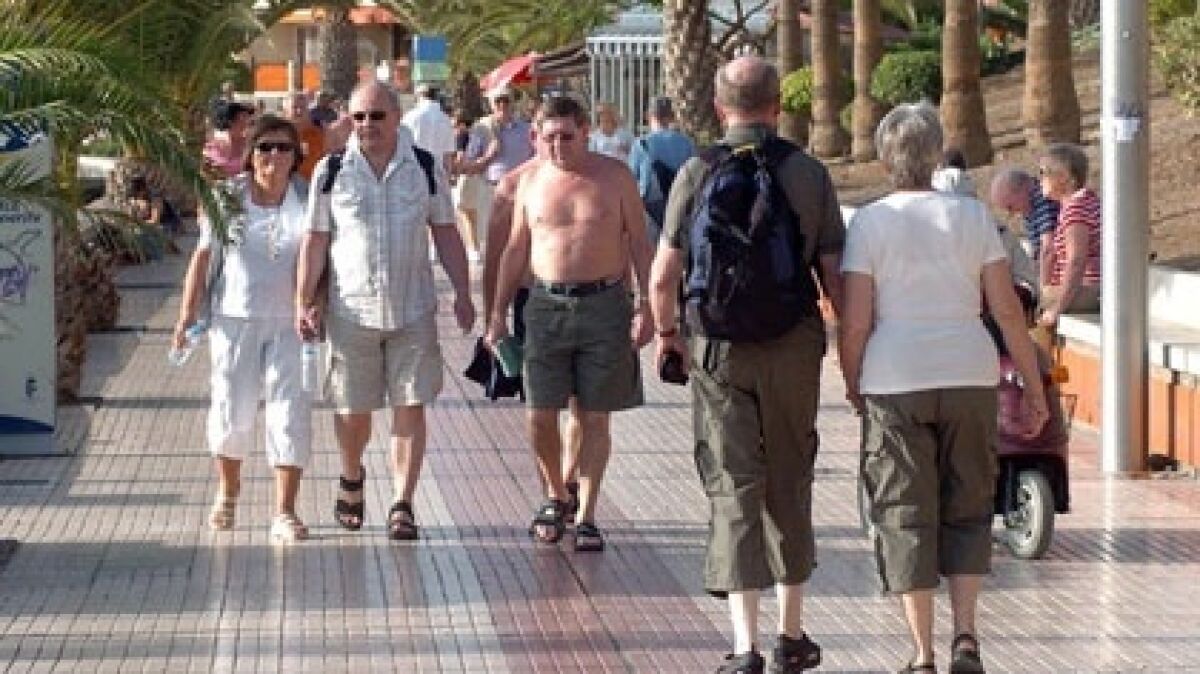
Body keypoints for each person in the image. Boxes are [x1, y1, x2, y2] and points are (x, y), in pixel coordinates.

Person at [648, 55, 844, 674]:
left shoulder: (696, 172)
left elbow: (663, 276)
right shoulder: (808, 174)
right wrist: (849, 348)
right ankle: (793, 634)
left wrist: (668, 336)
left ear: (718, 106)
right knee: (790, 475)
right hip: (792, 345)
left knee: (734, 484)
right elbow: (834, 275)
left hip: (717, 347)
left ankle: (744, 645)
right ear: (777, 106)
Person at [838, 102, 1050, 674]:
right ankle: (967, 636)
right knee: (968, 505)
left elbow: (855, 322)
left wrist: (854, 381)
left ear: (885, 159)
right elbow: (1007, 311)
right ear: (935, 155)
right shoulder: (973, 217)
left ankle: (922, 652)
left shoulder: (870, 223)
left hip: (894, 376)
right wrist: (1033, 387)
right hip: (970, 373)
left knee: (904, 510)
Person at [295, 82, 474, 541]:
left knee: (410, 404)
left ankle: (402, 503)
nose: (367, 125)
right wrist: (303, 300)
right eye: (359, 116)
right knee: (352, 409)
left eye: (376, 115)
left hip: (412, 309)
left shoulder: (425, 168)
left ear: (397, 116)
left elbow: (446, 231)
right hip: (350, 311)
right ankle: (352, 475)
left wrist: (463, 291)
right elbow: (316, 238)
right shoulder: (331, 170)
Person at [486, 95, 653, 553]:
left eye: (566, 136)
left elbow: (640, 244)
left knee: (594, 414)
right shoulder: (530, 182)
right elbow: (516, 249)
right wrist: (497, 313)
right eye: (549, 138)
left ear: (585, 132)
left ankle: (587, 515)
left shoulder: (615, 177)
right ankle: (556, 493)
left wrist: (649, 308)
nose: (558, 146)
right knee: (539, 412)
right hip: (545, 305)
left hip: (605, 304)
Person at [174, 114, 314, 543]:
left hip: (292, 324)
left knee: (289, 413)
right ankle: (228, 489)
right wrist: (186, 316)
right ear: (250, 155)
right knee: (232, 410)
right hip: (234, 319)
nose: (274, 155)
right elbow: (202, 256)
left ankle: (284, 511)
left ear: (296, 156)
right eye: (265, 147)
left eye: (284, 147)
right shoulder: (227, 198)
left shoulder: (309, 197)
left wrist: (318, 304)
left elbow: (323, 255)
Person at [1036, 142, 1102, 328]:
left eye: (1043, 173)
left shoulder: (1076, 209)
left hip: (1088, 288)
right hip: (1090, 287)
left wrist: (1057, 309)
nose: (1039, 180)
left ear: (1063, 177)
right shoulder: (1085, 201)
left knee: (1021, 300)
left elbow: (1076, 261)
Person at [464, 86, 535, 245]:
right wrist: (489, 156)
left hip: (521, 190)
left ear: (513, 103)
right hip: (492, 190)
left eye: (506, 100)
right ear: (492, 105)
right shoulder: (481, 129)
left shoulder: (526, 129)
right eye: (498, 101)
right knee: (491, 240)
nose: (502, 105)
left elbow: (536, 158)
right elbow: (468, 167)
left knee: (521, 239)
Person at [627, 96, 695, 244]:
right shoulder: (686, 142)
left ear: (649, 116)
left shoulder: (641, 144)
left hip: (651, 207)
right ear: (671, 116)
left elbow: (630, 180)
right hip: (680, 205)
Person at [989, 167, 1060, 265]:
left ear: (1022, 190)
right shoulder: (1029, 203)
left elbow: (1048, 250)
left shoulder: (1042, 200)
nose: (1011, 213)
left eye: (1010, 207)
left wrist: (1041, 275)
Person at [451, 110, 483, 262]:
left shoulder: (461, 136)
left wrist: (454, 173)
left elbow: (460, 157)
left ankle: (472, 248)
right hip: (475, 175)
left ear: (461, 123)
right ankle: (474, 246)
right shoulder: (476, 136)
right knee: (471, 213)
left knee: (463, 212)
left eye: (454, 122)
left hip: (464, 176)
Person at [402, 83, 456, 173]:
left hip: (415, 173)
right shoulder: (445, 119)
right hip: (437, 174)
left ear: (419, 96)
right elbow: (447, 157)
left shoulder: (410, 117)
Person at [203, 101, 255, 179]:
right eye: (243, 118)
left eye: (248, 118)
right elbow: (204, 172)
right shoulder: (211, 148)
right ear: (230, 121)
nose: (247, 122)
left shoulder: (252, 146)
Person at [282, 92, 325, 180]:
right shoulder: (277, 135)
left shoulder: (320, 133)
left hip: (313, 184)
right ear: (285, 111)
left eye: (303, 107)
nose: (299, 111)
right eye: (294, 107)